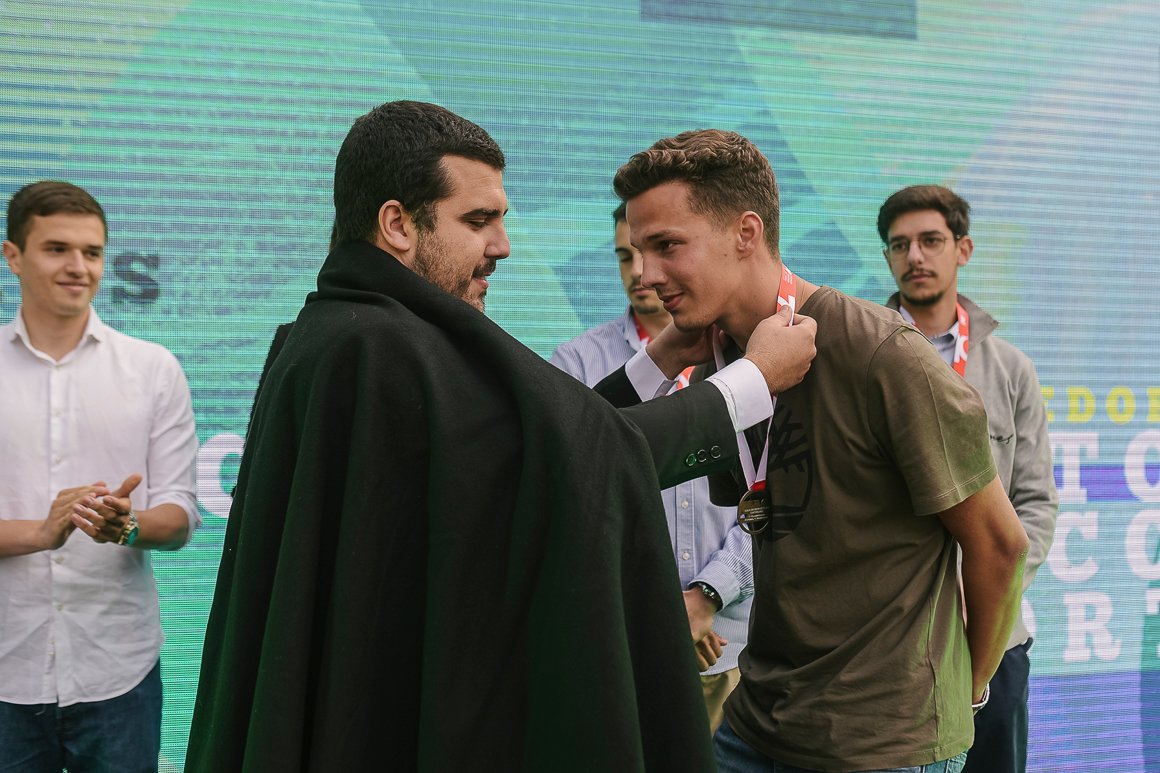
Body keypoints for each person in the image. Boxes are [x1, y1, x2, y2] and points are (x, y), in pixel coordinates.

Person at [185, 100, 816, 772]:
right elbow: (577, 466)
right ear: (397, 224)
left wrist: (655, 363)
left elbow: (536, 450)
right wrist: (753, 380)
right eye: (478, 220)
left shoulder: (344, 337)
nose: (502, 246)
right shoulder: (386, 354)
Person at [597, 129, 1031, 772]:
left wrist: (963, 693)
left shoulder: (879, 351)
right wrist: (661, 358)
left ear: (746, 233)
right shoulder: (721, 361)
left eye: (667, 246)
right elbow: (597, 456)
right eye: (638, 252)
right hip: (758, 723)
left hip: (879, 745)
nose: (647, 275)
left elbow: (1000, 543)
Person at [0, 180, 200, 772]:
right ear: (13, 256)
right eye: (57, 249)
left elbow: (180, 514)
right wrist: (41, 533)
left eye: (92, 252)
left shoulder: (153, 369)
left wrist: (129, 525)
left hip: (118, 668)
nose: (78, 266)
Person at [551, 202, 752, 734]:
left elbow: (772, 498)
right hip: (622, 645)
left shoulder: (752, 360)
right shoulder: (575, 364)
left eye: (660, 251)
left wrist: (708, 595)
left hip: (729, 649)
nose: (641, 273)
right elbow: (570, 502)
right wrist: (662, 611)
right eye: (626, 256)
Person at [879, 184, 1058, 773]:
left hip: (992, 637)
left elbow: (1035, 503)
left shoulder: (1011, 369)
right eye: (899, 245)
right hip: (888, 643)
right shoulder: (857, 357)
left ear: (964, 249)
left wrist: (985, 588)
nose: (914, 256)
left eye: (931, 240)